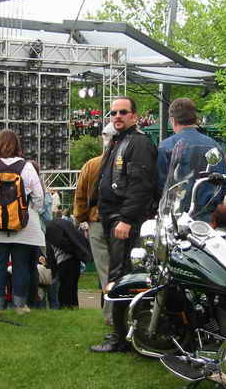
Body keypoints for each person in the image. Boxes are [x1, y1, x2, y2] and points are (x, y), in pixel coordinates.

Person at [91, 96, 158, 353]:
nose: (117, 116)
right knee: (119, 276)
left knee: (122, 278)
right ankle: (124, 334)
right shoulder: (119, 141)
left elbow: (141, 186)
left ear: (134, 116)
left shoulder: (138, 143)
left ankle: (120, 337)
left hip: (126, 221)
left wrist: (127, 219)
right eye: (113, 113)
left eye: (122, 112)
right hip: (115, 219)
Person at [0, 129, 44, 317]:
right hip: (22, 226)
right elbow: (39, 197)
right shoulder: (27, 167)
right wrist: (28, 211)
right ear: (18, 146)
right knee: (21, 266)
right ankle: (20, 305)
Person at [74, 122, 117, 325]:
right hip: (121, 222)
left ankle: (111, 314)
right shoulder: (126, 163)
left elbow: (80, 195)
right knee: (122, 269)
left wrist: (82, 217)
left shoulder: (92, 165)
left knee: (105, 271)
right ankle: (121, 312)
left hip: (97, 222)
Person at [157, 98, 226, 221]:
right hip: (208, 218)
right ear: (195, 118)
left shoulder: (166, 146)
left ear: (173, 120)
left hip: (176, 217)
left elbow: (160, 184)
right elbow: (223, 181)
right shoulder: (214, 146)